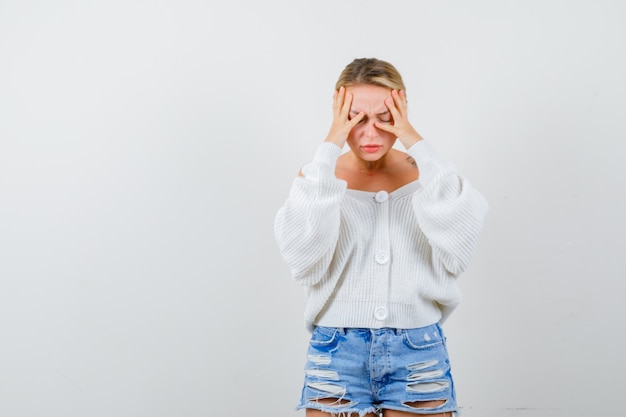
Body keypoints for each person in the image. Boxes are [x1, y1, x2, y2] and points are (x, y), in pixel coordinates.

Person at [274, 58, 489, 417]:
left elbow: (461, 246)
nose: (370, 133)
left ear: (402, 112)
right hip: (336, 350)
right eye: (356, 118)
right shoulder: (319, 179)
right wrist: (329, 145)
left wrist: (414, 140)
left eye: (385, 118)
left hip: (417, 349)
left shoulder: (427, 175)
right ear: (339, 114)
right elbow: (303, 262)